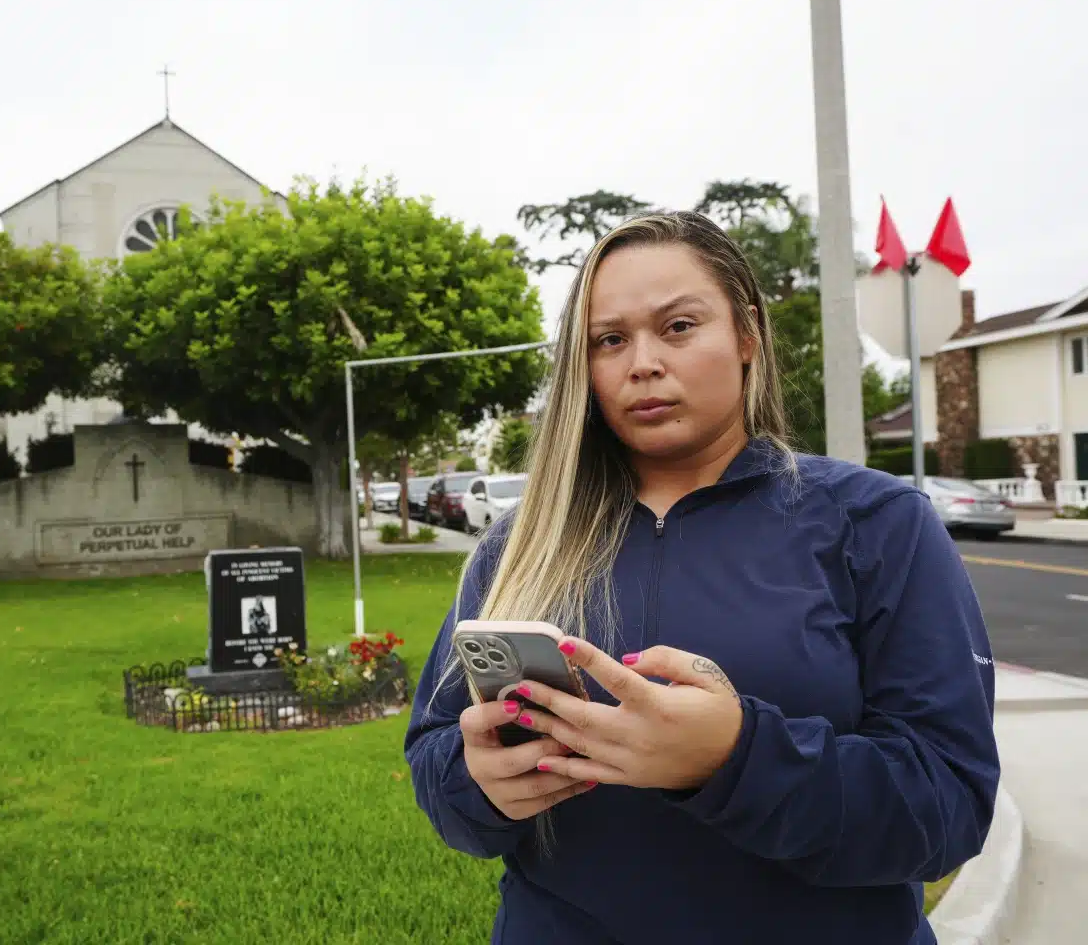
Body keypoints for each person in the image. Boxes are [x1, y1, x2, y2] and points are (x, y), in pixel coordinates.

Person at [404, 211, 1000, 944]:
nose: (642, 363)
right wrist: (478, 784)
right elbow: (435, 757)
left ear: (747, 335)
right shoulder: (520, 542)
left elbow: (948, 805)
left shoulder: (876, 523)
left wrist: (735, 759)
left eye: (679, 326)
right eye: (609, 340)